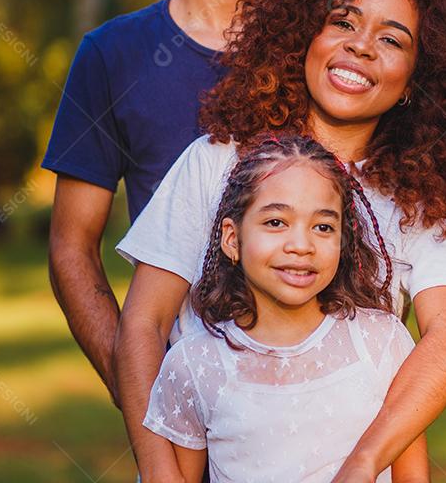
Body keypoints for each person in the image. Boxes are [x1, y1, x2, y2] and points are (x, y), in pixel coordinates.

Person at [114, 0, 446, 482]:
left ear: (413, 81)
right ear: (304, 36)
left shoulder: (421, 199)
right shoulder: (218, 160)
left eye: (392, 39)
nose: (360, 46)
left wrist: (361, 466)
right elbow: (143, 324)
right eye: (344, 22)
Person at [42, 0, 284, 406]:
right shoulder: (110, 55)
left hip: (321, 421)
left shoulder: (322, 48)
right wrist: (148, 397)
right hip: (188, 416)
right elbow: (72, 248)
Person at [144, 134, 429, 482]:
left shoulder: (381, 342)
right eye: (276, 222)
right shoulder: (194, 364)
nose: (301, 245)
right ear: (232, 239)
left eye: (323, 227)